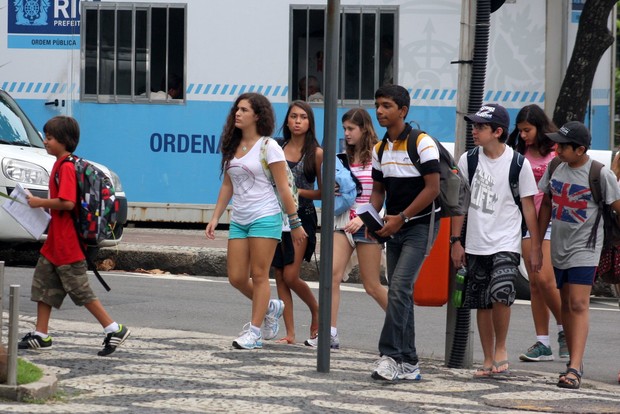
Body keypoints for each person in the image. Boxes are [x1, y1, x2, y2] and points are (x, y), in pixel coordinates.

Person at [17, 116, 130, 356]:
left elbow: (67, 203)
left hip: (68, 243)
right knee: (43, 284)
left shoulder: (67, 167)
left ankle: (114, 329)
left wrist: (38, 203)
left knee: (80, 290)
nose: (45, 141)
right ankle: (41, 335)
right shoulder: (60, 164)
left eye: (49, 137)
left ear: (64, 141)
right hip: (55, 242)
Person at [205, 92, 307, 350]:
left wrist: (294, 221)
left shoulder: (269, 146)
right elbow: (227, 184)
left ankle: (254, 332)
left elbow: (284, 188)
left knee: (260, 275)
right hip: (239, 218)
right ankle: (271, 306)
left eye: (244, 110)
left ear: (257, 116)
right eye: (236, 109)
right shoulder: (232, 145)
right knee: (237, 278)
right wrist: (216, 217)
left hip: (266, 216)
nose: (237, 114)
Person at [451, 103, 542, 378]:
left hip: (506, 240)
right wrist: (456, 240)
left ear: (498, 131)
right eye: (474, 125)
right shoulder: (469, 160)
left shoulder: (518, 163)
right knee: (481, 301)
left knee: (501, 293)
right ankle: (488, 358)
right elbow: (460, 202)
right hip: (476, 240)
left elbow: (528, 207)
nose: (475, 130)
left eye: (480, 126)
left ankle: (501, 348)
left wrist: (535, 246)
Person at [538, 121, 620, 389]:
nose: (557, 149)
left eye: (563, 146)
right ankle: (574, 360)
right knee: (565, 303)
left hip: (587, 247)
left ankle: (574, 367)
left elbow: (617, 205)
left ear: (581, 149)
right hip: (559, 246)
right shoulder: (554, 168)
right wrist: (537, 243)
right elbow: (547, 204)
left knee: (578, 303)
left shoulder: (599, 174)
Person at [368, 85, 440, 381]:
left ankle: (390, 355)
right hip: (394, 227)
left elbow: (432, 189)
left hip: (421, 225)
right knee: (402, 294)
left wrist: (403, 217)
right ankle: (410, 362)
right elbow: (377, 191)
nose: (380, 111)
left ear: (403, 111)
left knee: (398, 288)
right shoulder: (379, 149)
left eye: (386, 106)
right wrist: (370, 220)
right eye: (378, 106)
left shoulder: (422, 143)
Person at [305, 108, 386, 350]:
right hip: (341, 223)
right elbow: (332, 190)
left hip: (367, 225)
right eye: (344, 129)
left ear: (364, 129)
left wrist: (364, 219)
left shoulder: (379, 156)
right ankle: (329, 333)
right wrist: (334, 190)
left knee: (372, 286)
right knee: (330, 277)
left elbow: (382, 194)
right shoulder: (341, 159)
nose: (347, 133)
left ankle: (401, 325)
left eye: (351, 129)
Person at [506, 105, 568, 362]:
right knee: (533, 282)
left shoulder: (556, 151)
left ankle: (565, 329)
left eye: (527, 130)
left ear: (540, 128)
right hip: (525, 220)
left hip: (551, 219)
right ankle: (543, 342)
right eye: (520, 131)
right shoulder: (517, 152)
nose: (523, 135)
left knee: (544, 278)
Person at [271, 101, 321, 344]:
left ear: (310, 122)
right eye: (293, 116)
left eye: (303, 117)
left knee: (291, 275)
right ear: (287, 121)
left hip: (303, 218)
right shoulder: (276, 146)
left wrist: (295, 191)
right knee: (279, 275)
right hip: (275, 216)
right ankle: (290, 333)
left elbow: (324, 192)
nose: (298, 121)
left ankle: (316, 309)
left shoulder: (316, 153)